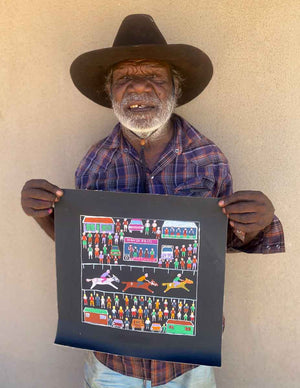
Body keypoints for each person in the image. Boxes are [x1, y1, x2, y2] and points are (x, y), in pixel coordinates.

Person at [21, 13, 284, 388]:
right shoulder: (95, 163)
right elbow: (85, 250)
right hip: (112, 360)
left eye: (155, 77)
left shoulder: (208, 158)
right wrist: (42, 214)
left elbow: (218, 246)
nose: (138, 88)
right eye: (124, 78)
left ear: (174, 90)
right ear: (109, 92)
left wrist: (258, 222)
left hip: (187, 356)